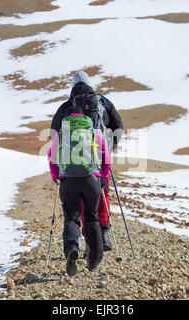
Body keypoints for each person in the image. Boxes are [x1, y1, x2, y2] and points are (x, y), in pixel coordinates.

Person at [50, 71, 123, 252]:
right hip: (100, 152)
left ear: (73, 86)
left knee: (79, 198)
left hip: (74, 158)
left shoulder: (66, 106)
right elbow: (118, 126)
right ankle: (104, 234)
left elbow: (53, 133)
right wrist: (110, 146)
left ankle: (85, 239)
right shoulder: (103, 102)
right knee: (101, 192)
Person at [48, 100, 111, 276]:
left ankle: (72, 250)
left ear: (67, 117)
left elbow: (52, 158)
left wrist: (57, 178)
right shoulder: (93, 131)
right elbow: (106, 158)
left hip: (68, 181)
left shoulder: (61, 133)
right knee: (91, 218)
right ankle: (94, 260)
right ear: (84, 116)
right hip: (92, 180)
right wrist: (103, 178)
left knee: (71, 218)